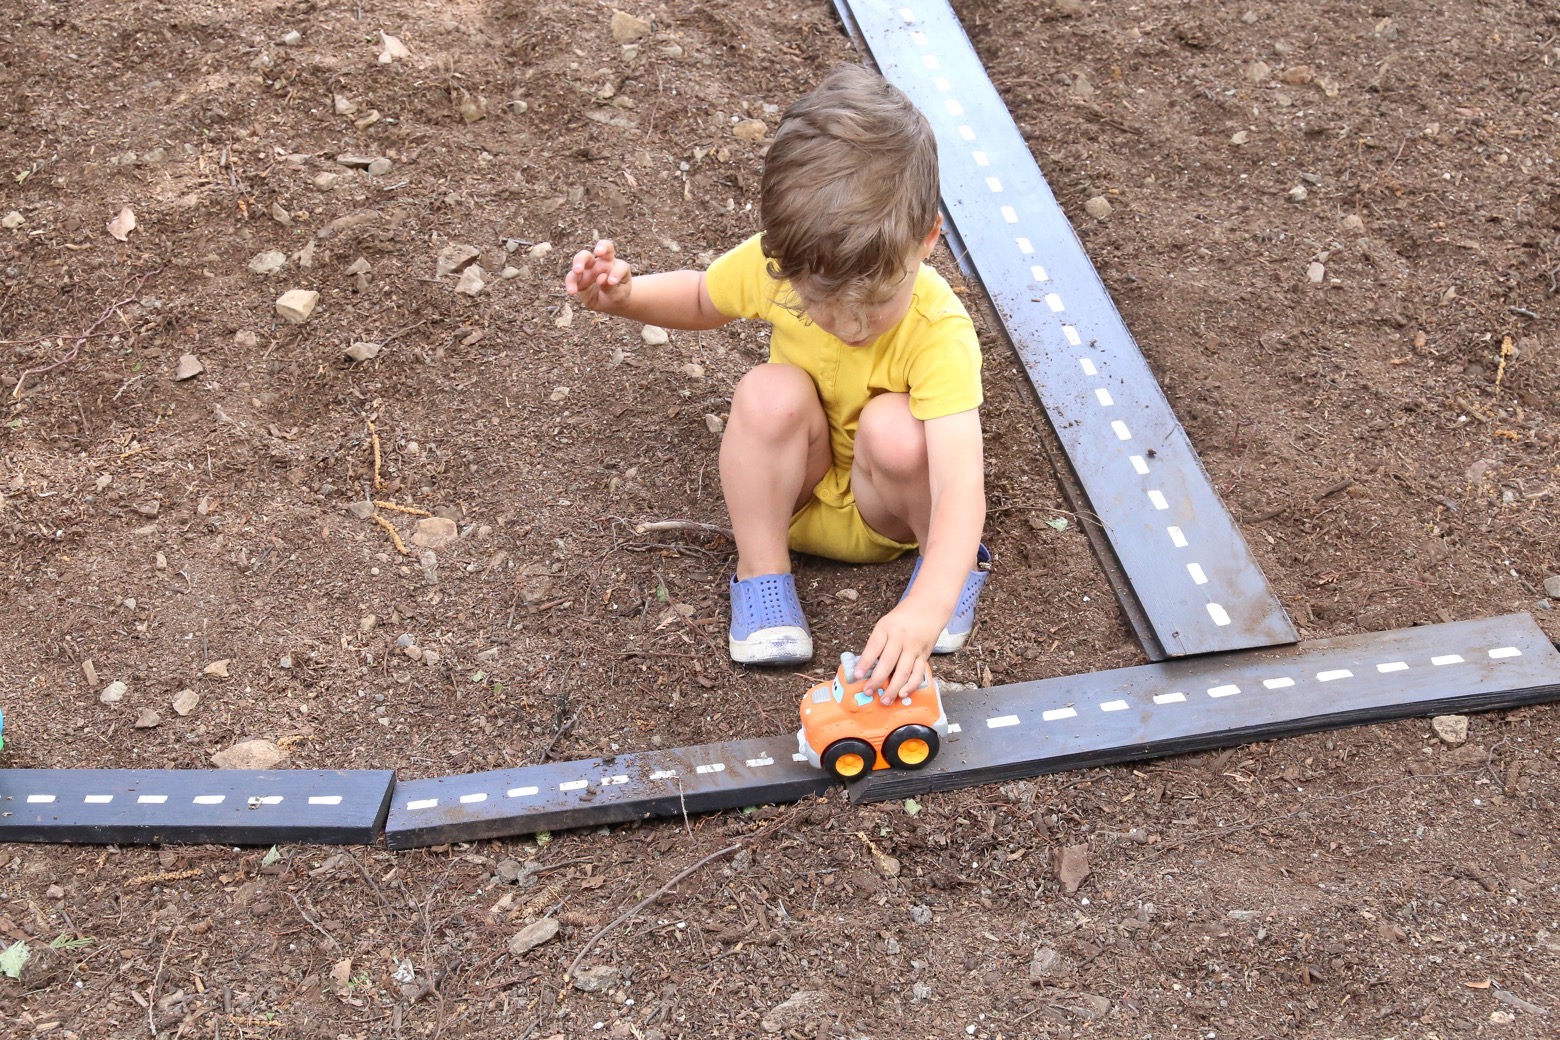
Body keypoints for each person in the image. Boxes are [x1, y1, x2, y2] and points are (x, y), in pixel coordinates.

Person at [564, 63, 989, 701]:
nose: (850, 325)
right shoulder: (784, 260)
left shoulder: (940, 331)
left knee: (899, 431)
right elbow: (704, 296)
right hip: (801, 493)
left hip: (891, 511)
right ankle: (762, 571)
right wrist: (625, 297)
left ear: (928, 239)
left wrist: (926, 608)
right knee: (768, 392)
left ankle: (945, 572)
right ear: (783, 257)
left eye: (874, 303)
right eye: (820, 302)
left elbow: (962, 488)